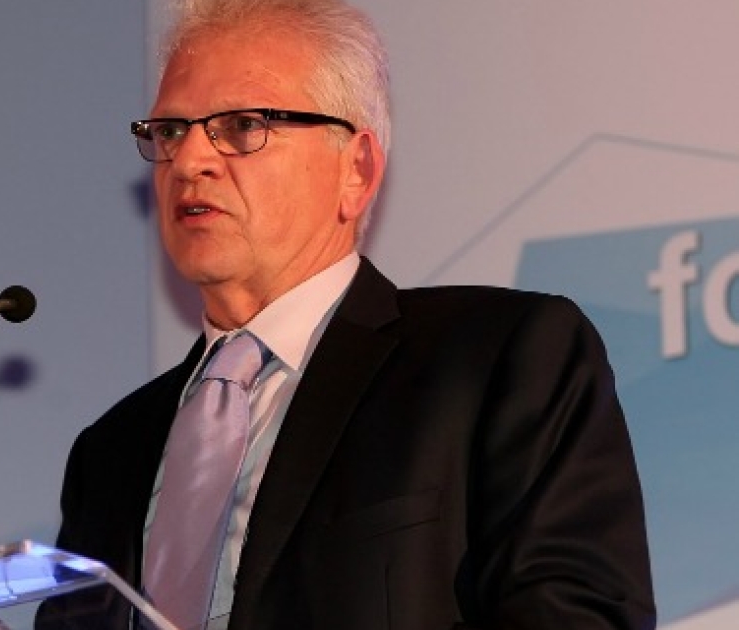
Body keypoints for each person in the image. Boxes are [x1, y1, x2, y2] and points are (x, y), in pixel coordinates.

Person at [37, 0, 656, 628]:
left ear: (356, 170)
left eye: (243, 125)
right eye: (170, 131)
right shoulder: (109, 452)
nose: (190, 160)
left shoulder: (497, 360)